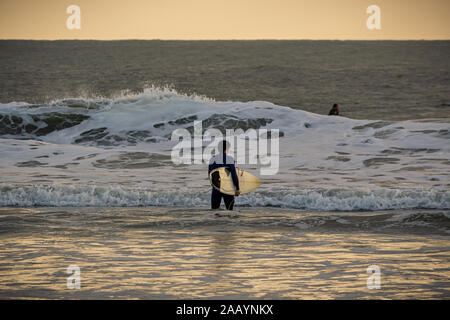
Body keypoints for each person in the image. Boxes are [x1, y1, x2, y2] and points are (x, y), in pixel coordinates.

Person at [208, 140, 240, 210]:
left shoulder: (212, 159)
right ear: (227, 148)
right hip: (227, 188)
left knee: (214, 212)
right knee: (230, 211)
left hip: (216, 188)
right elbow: (234, 175)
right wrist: (237, 188)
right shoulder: (230, 159)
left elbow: (210, 175)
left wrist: (215, 187)